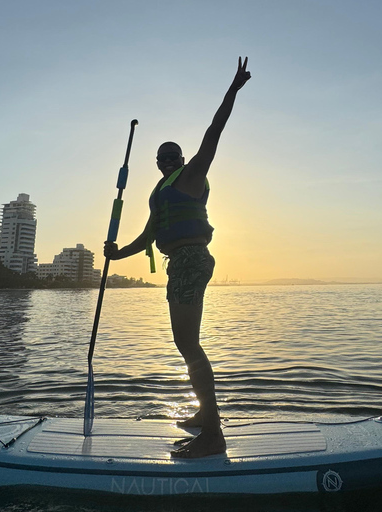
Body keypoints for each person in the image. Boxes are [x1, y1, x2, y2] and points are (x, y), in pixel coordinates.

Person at [104, 57, 251, 459]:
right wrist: (117, 255)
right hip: (178, 263)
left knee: (188, 343)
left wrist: (232, 91)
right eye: (162, 159)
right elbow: (148, 237)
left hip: (191, 260)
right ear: (157, 164)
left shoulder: (190, 178)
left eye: (174, 157)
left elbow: (213, 133)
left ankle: (212, 433)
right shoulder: (161, 192)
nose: (168, 162)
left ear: (183, 161)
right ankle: (205, 415)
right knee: (185, 342)